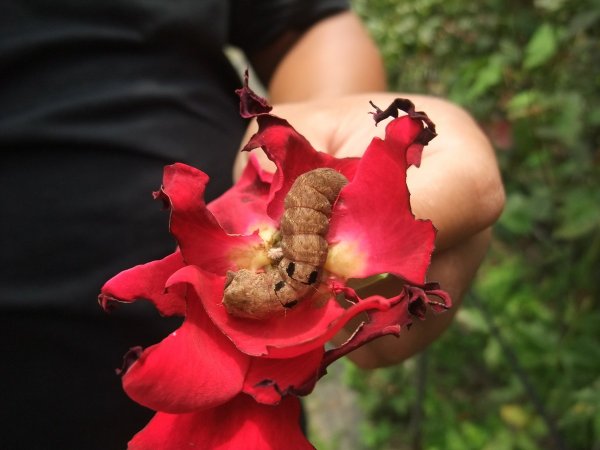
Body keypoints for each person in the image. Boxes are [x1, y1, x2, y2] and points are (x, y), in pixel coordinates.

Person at [0, 1, 504, 448]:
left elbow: (304, 24)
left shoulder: (298, 240)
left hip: (250, 369)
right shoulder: (274, 276)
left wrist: (329, 120)